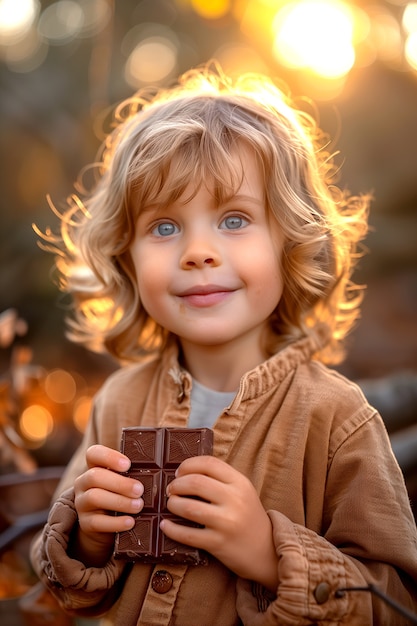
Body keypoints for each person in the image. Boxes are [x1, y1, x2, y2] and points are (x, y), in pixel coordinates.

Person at [30, 62, 417, 625]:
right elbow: (69, 586)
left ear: (290, 242)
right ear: (126, 258)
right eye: (165, 227)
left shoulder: (339, 421)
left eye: (235, 219)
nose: (198, 251)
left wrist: (268, 553)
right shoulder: (117, 403)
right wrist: (88, 540)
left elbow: (397, 603)